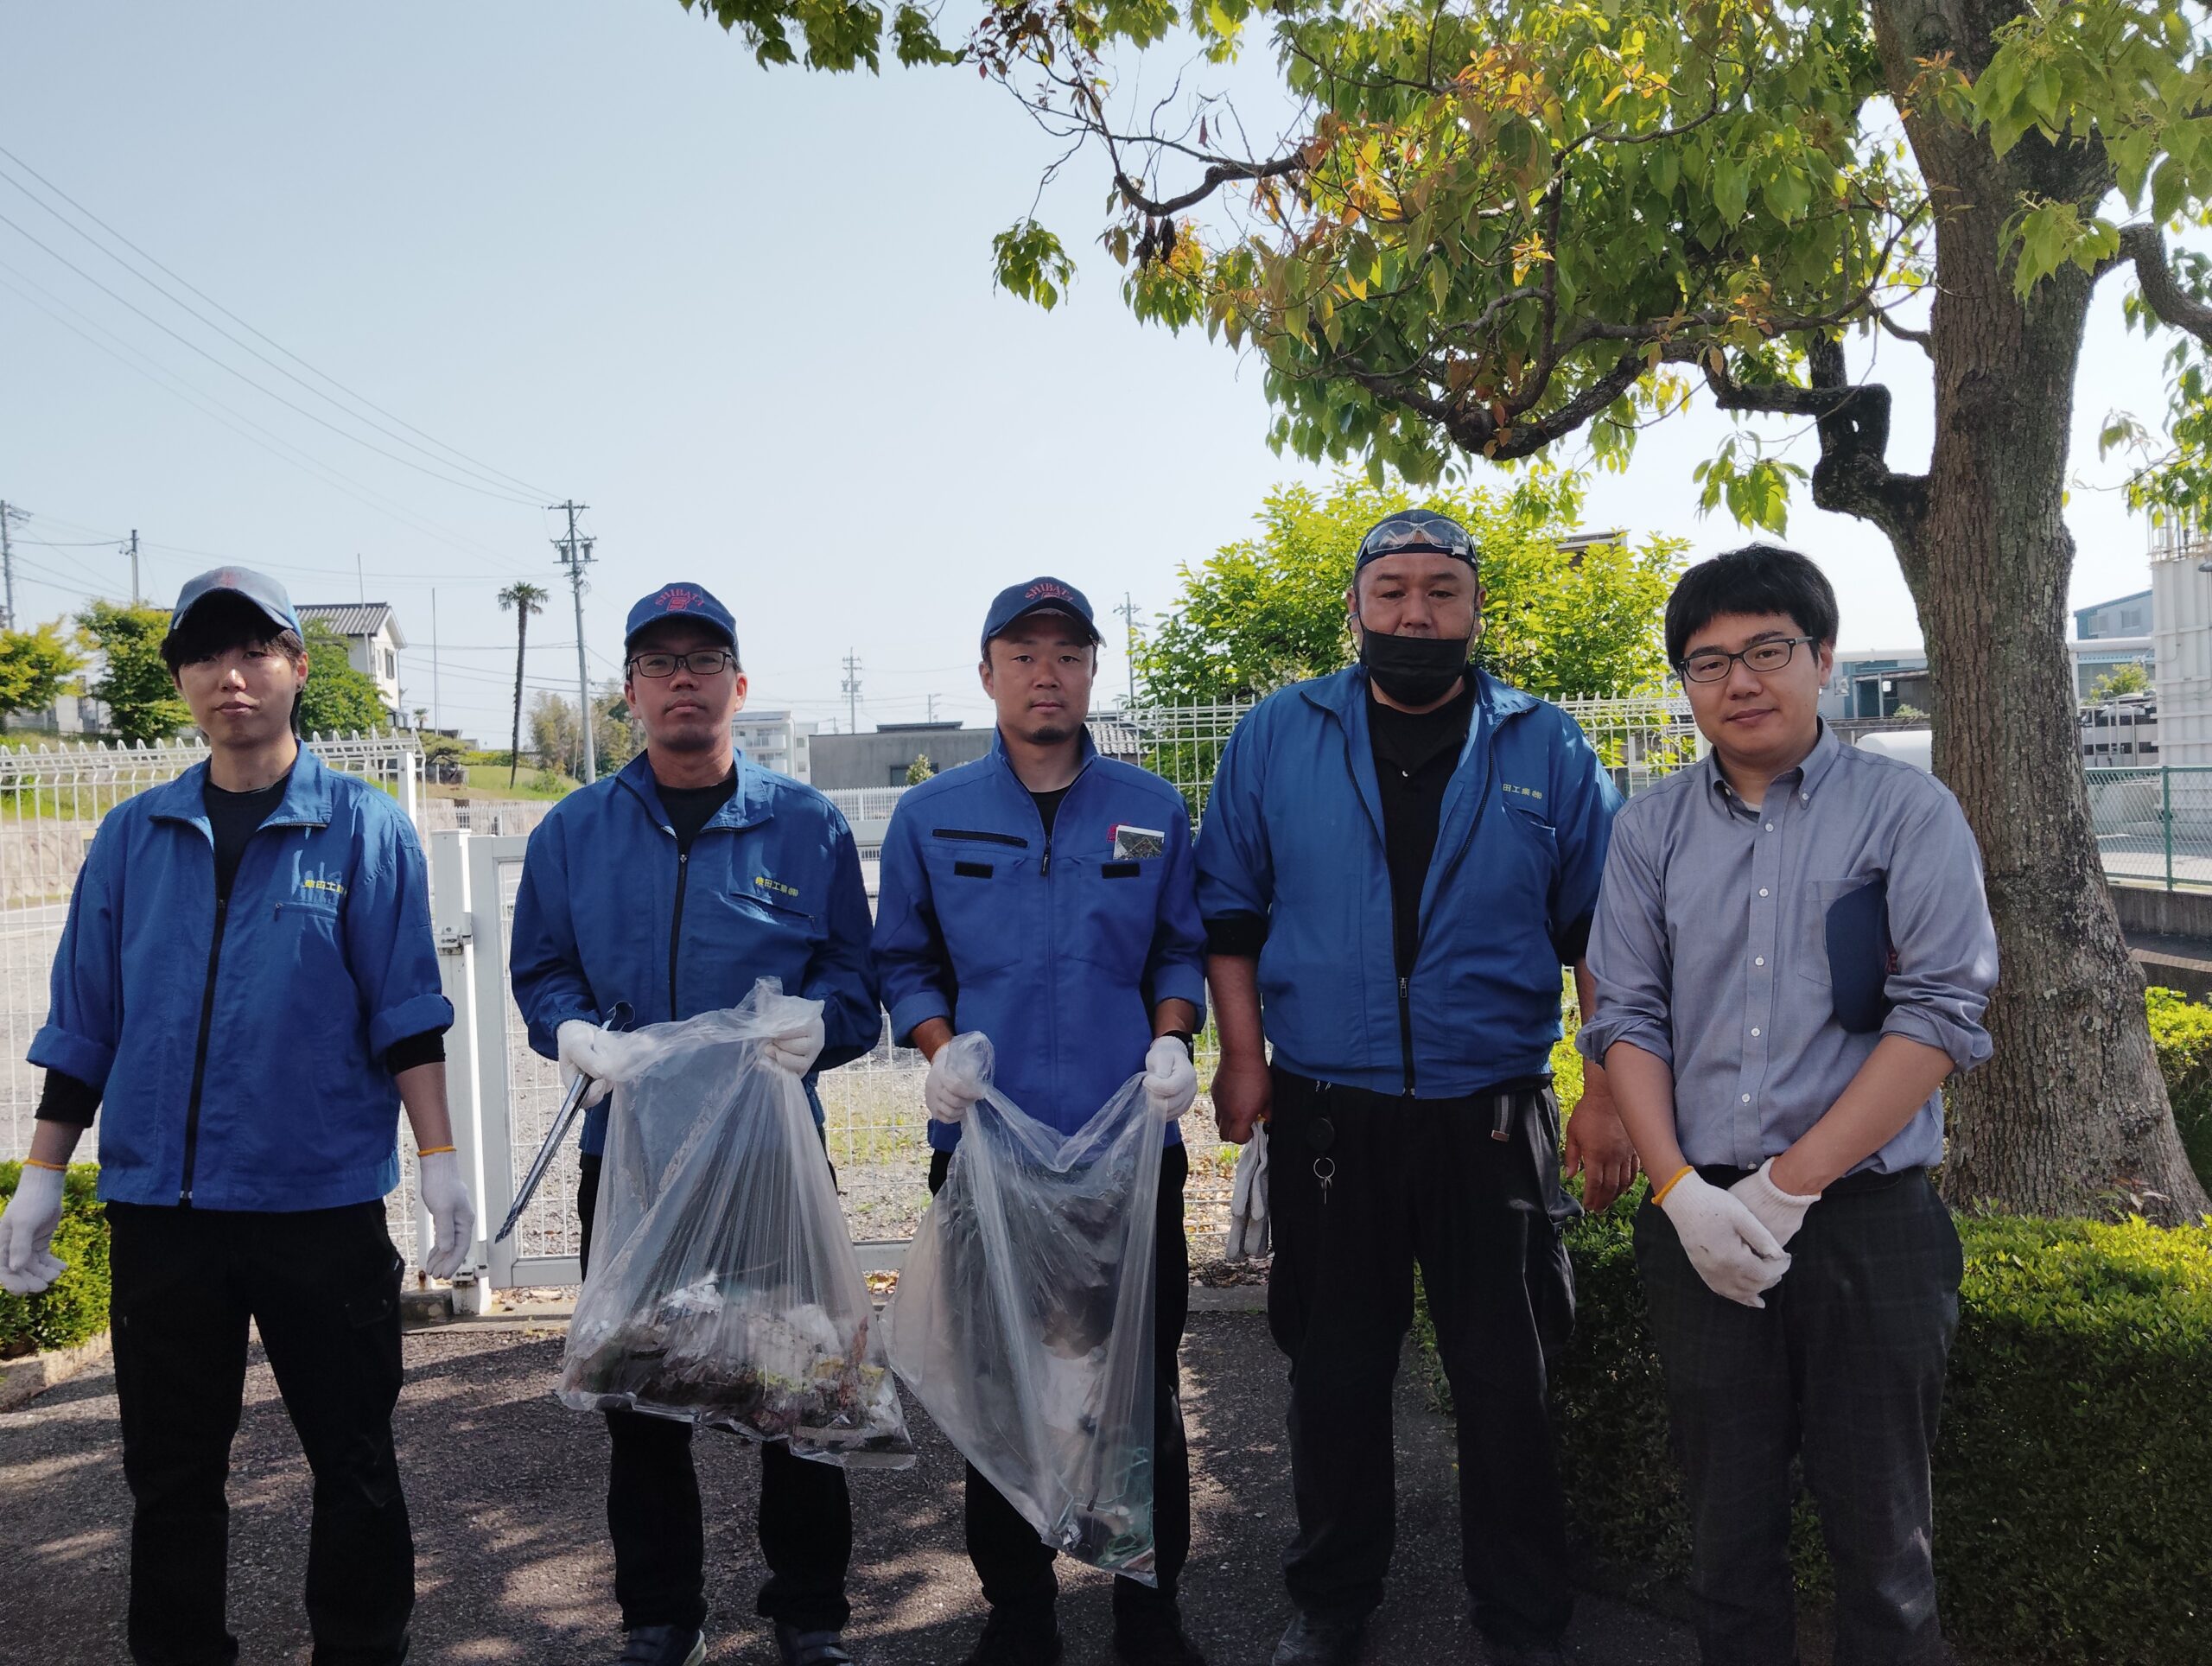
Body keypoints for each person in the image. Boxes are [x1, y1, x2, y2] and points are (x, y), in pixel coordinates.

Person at [5, 568, 472, 1666]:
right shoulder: (132, 834)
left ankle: (360, 1649)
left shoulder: (363, 827)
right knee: (170, 1472)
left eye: (256, 649)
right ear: (181, 679)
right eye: (206, 654)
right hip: (163, 1211)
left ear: (298, 667)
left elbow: (405, 1009)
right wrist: (42, 1173)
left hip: (319, 1203)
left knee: (353, 1459)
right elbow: (86, 1017)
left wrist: (440, 1155)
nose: (233, 675)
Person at [1195, 510, 1638, 1666]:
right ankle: (1331, 1598)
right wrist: (1243, 1057)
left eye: (1442, 590)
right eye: (1391, 589)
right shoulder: (1277, 734)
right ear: (1355, 605)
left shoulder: (1545, 744)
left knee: (1506, 1376)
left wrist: (1602, 1090)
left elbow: (1603, 936)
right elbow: (1229, 915)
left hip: (1490, 1112)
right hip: (1328, 1114)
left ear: (1476, 608)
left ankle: (1523, 1614)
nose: (1416, 612)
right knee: (1335, 1372)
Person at [1577, 546, 1999, 1666]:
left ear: (1823, 657)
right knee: (1727, 1539)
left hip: (1868, 1224)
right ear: (1686, 683)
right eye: (1708, 661)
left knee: (1885, 1547)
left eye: (1767, 649)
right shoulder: (1649, 830)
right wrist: (1680, 1192)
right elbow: (1627, 1016)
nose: (1740, 680)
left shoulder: (1907, 812)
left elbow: (1941, 1011)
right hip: (1699, 1224)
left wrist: (1787, 1184)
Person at [509, 581, 879, 1666]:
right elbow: (543, 969)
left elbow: (855, 982)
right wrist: (572, 1030)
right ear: (630, 690)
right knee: (639, 1395)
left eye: (703, 660)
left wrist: (823, 1024)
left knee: (798, 1389)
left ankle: (809, 1614)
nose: (683, 679)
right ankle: (660, 1615)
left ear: (737, 684)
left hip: (769, 1159)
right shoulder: (575, 829)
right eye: (659, 662)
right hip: (630, 1158)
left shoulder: (805, 824)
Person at [872, 577, 1210, 1666]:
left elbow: (1179, 946)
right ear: (987, 673)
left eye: (1068, 653)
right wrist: (940, 1047)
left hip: (1128, 1148)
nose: (1046, 673)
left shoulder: (1149, 806)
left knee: (1139, 1386)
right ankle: (1018, 1613)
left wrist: (1172, 1038)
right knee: (1002, 1389)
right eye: (1023, 654)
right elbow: (903, 958)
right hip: (988, 1147)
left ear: (1092, 671)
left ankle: (1146, 1608)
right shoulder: (932, 814)